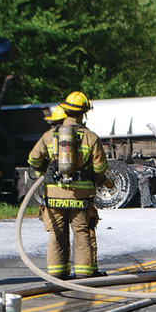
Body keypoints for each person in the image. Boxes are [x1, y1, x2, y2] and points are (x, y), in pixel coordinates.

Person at [28, 91, 110, 279]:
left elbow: (33, 158)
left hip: (54, 197)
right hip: (79, 197)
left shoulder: (50, 136)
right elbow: (101, 167)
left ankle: (57, 274)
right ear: (84, 114)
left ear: (65, 111)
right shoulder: (91, 138)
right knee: (81, 234)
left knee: (57, 235)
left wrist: (46, 173)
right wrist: (93, 180)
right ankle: (83, 273)